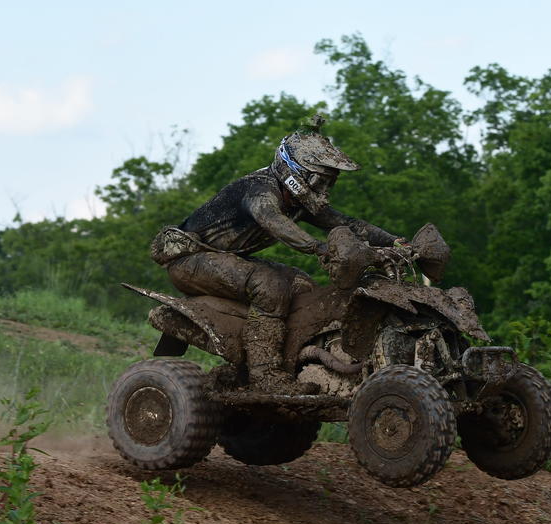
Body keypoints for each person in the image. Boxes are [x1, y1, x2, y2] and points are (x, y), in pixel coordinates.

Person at [151, 117, 403, 393]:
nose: (325, 190)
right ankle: (266, 375)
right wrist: (320, 248)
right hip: (189, 260)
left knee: (302, 284)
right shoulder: (260, 189)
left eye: (329, 182)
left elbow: (348, 223)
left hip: (221, 260)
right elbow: (271, 219)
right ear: (296, 172)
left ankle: (293, 361)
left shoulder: (296, 200)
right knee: (269, 285)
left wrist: (397, 243)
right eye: (320, 181)